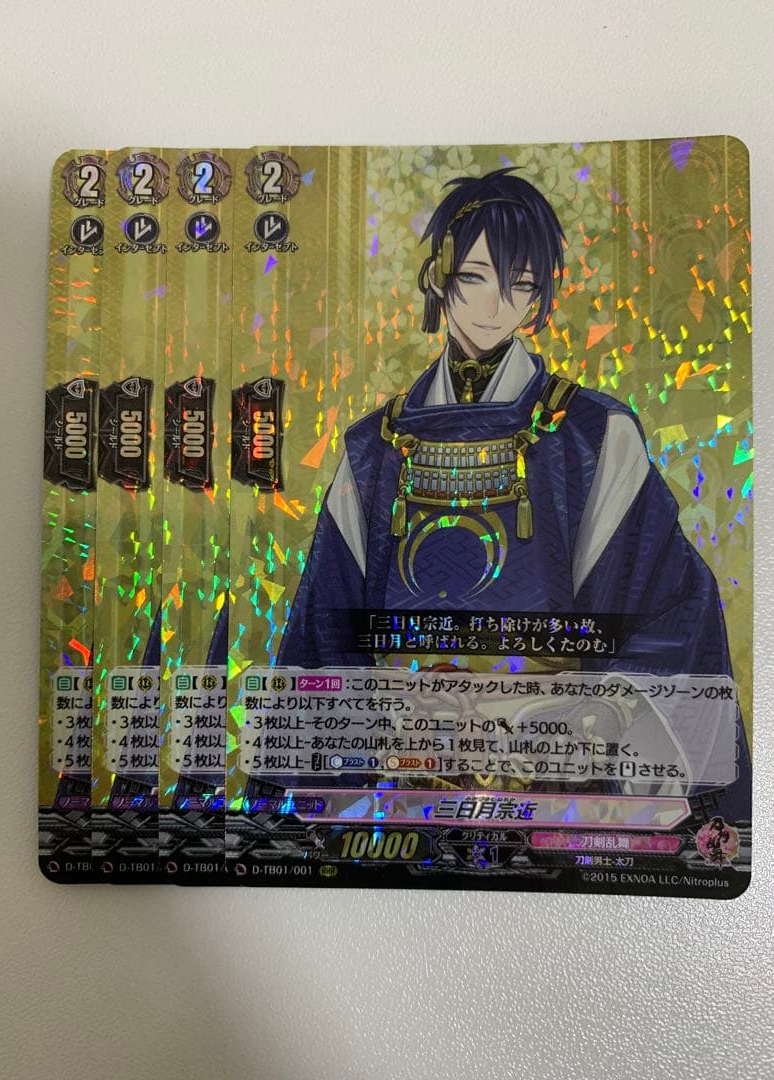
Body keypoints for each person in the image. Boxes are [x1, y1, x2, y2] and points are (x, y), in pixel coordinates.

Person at [276, 167, 748, 818]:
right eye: (475, 276)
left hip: (556, 770)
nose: (496, 305)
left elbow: (668, 607)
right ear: (439, 277)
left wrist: (589, 717)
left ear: (537, 296)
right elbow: (325, 632)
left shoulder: (594, 435)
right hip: (403, 773)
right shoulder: (372, 449)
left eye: (519, 283)